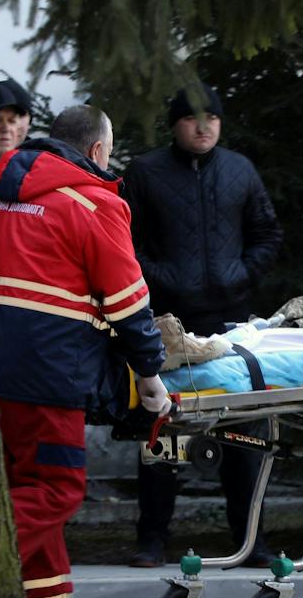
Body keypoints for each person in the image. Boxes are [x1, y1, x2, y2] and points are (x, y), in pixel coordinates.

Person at [0, 104, 168, 598]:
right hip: (50, 373)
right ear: (97, 151)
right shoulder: (91, 204)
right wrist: (150, 375)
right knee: (56, 489)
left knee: (25, 486)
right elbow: (129, 301)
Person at [120, 84, 284, 568]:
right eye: (193, 118)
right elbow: (124, 241)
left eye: (212, 117)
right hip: (169, 322)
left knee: (244, 431)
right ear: (175, 124)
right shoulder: (147, 173)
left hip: (231, 322)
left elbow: (267, 232)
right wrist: (162, 278)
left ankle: (250, 538)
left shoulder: (240, 170)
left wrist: (244, 273)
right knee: (165, 430)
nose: (203, 126)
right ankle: (152, 540)